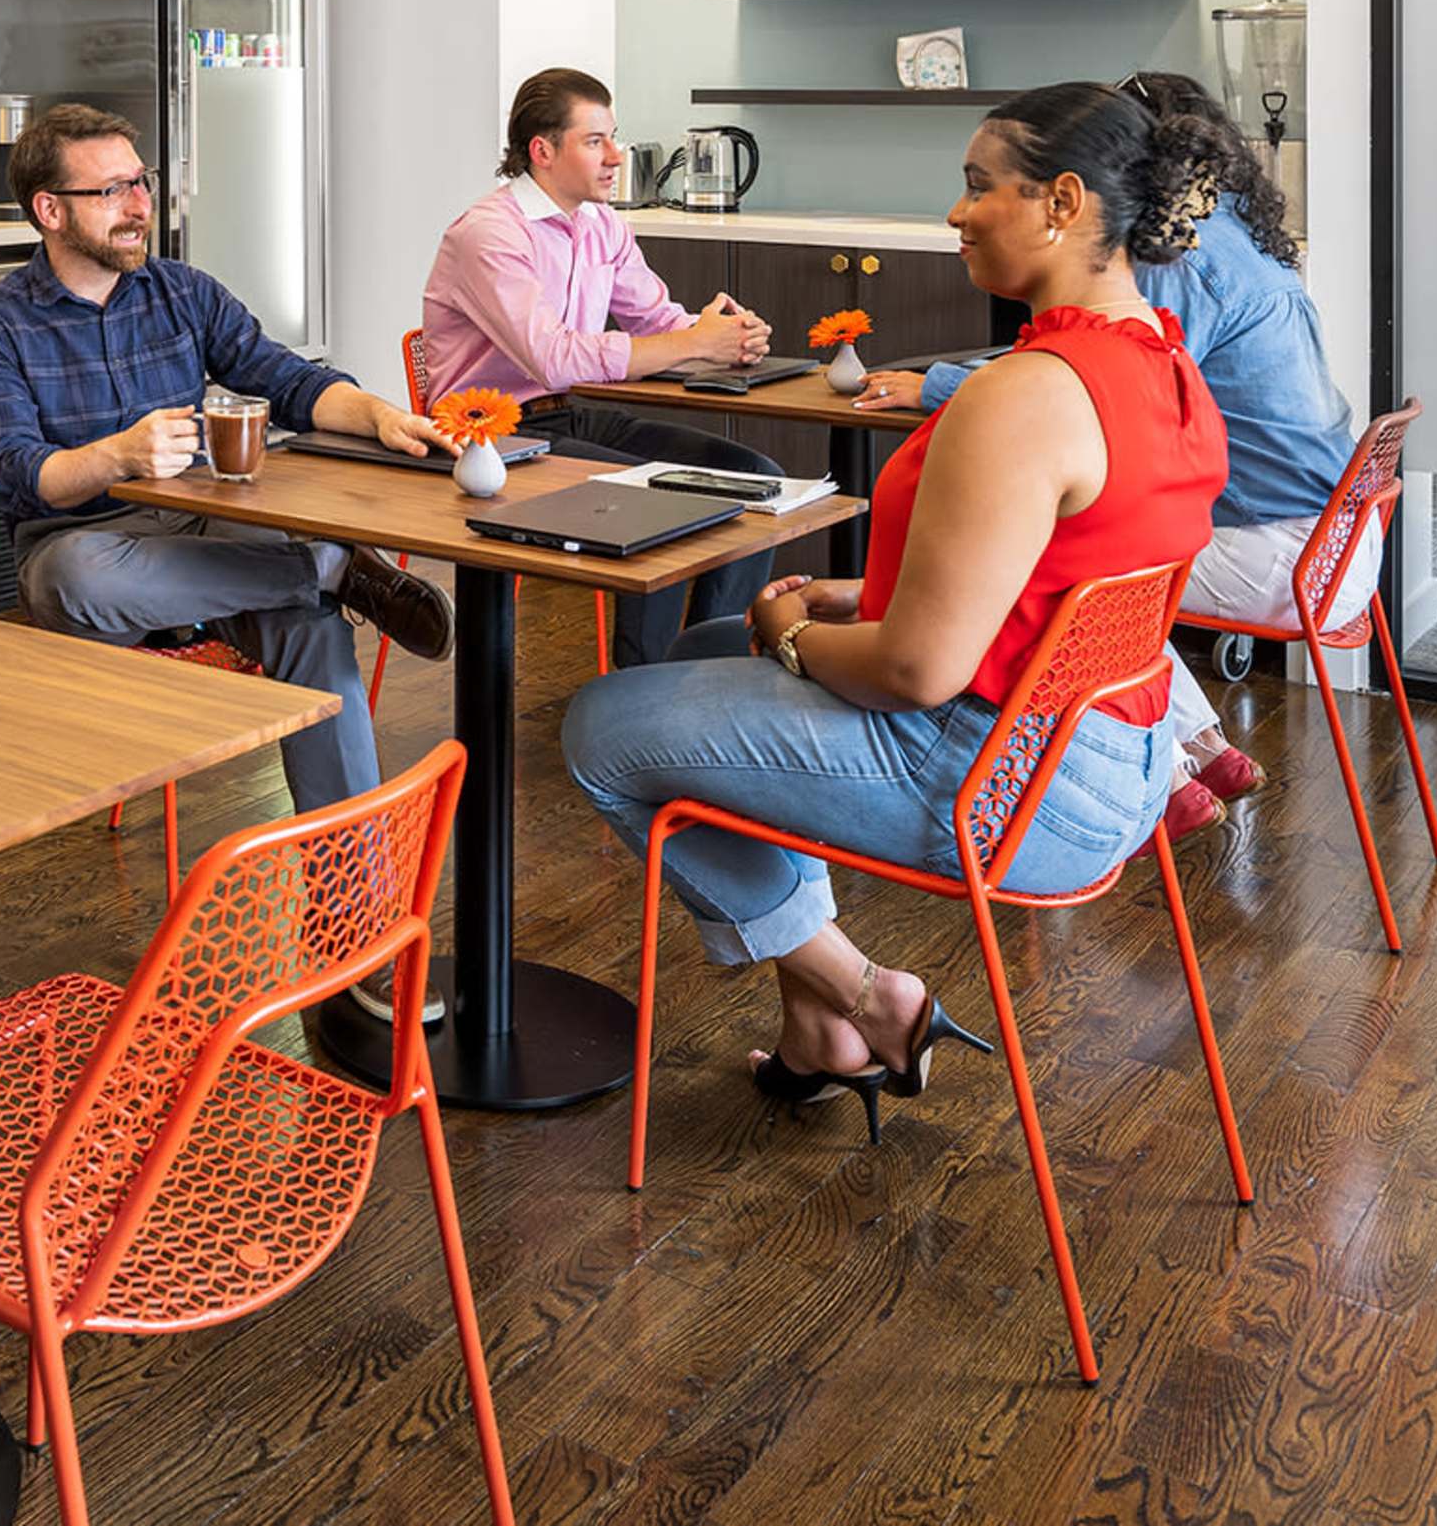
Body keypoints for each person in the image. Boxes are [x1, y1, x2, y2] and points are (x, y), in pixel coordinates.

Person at [562, 83, 1228, 1126]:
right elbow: (1041, 579)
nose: (955, 212)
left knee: (605, 723)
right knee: (698, 640)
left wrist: (797, 633)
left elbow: (920, 669)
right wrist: (861, 593)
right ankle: (821, 1029)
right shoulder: (1164, 362)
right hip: (1113, 758)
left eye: (976, 185)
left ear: (1061, 201)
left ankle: (869, 991)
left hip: (1008, 782)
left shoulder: (1025, 393)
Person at [854, 68, 1357, 844]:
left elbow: (1099, 392)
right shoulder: (1238, 238)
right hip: (1337, 534)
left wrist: (942, 387)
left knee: (1068, 568)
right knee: (1095, 556)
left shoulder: (1181, 268)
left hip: (1281, 543)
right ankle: (1194, 752)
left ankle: (1171, 768)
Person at [0, 101, 453, 817]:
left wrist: (381, 414)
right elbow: (17, 472)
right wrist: (118, 455)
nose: (139, 207)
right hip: (87, 552)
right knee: (73, 576)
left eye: (141, 183)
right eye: (112, 191)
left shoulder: (183, 293)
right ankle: (330, 566)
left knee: (312, 631)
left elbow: (288, 380)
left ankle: (351, 901)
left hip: (208, 534)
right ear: (50, 210)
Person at [419, 67, 786, 664]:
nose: (616, 155)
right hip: (493, 442)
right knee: (659, 497)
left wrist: (721, 332)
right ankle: (645, 687)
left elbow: (655, 319)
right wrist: (695, 346)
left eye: (614, 137)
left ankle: (706, 667)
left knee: (756, 478)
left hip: (570, 419)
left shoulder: (602, 225)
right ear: (543, 151)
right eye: (595, 141)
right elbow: (555, 356)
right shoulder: (489, 235)